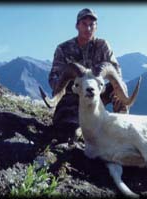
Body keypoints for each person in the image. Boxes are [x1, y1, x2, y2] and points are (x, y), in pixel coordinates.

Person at [48, 8, 128, 138]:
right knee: (66, 129)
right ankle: (78, 127)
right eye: (84, 24)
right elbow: (54, 76)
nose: (88, 28)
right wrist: (62, 89)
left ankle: (123, 128)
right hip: (74, 95)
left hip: (98, 93)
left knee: (120, 87)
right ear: (77, 26)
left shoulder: (103, 45)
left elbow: (116, 71)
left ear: (96, 27)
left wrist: (116, 88)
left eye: (92, 25)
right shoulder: (63, 49)